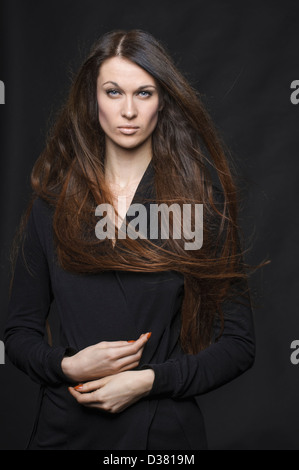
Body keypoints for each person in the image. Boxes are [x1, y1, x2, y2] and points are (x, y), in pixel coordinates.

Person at [4, 29, 256, 450]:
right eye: (113, 91)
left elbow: (239, 345)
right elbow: (19, 333)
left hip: (162, 438)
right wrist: (67, 365)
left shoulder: (196, 208)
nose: (128, 111)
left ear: (162, 102)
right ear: (93, 99)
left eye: (143, 93)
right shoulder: (52, 205)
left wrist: (150, 380)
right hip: (65, 432)